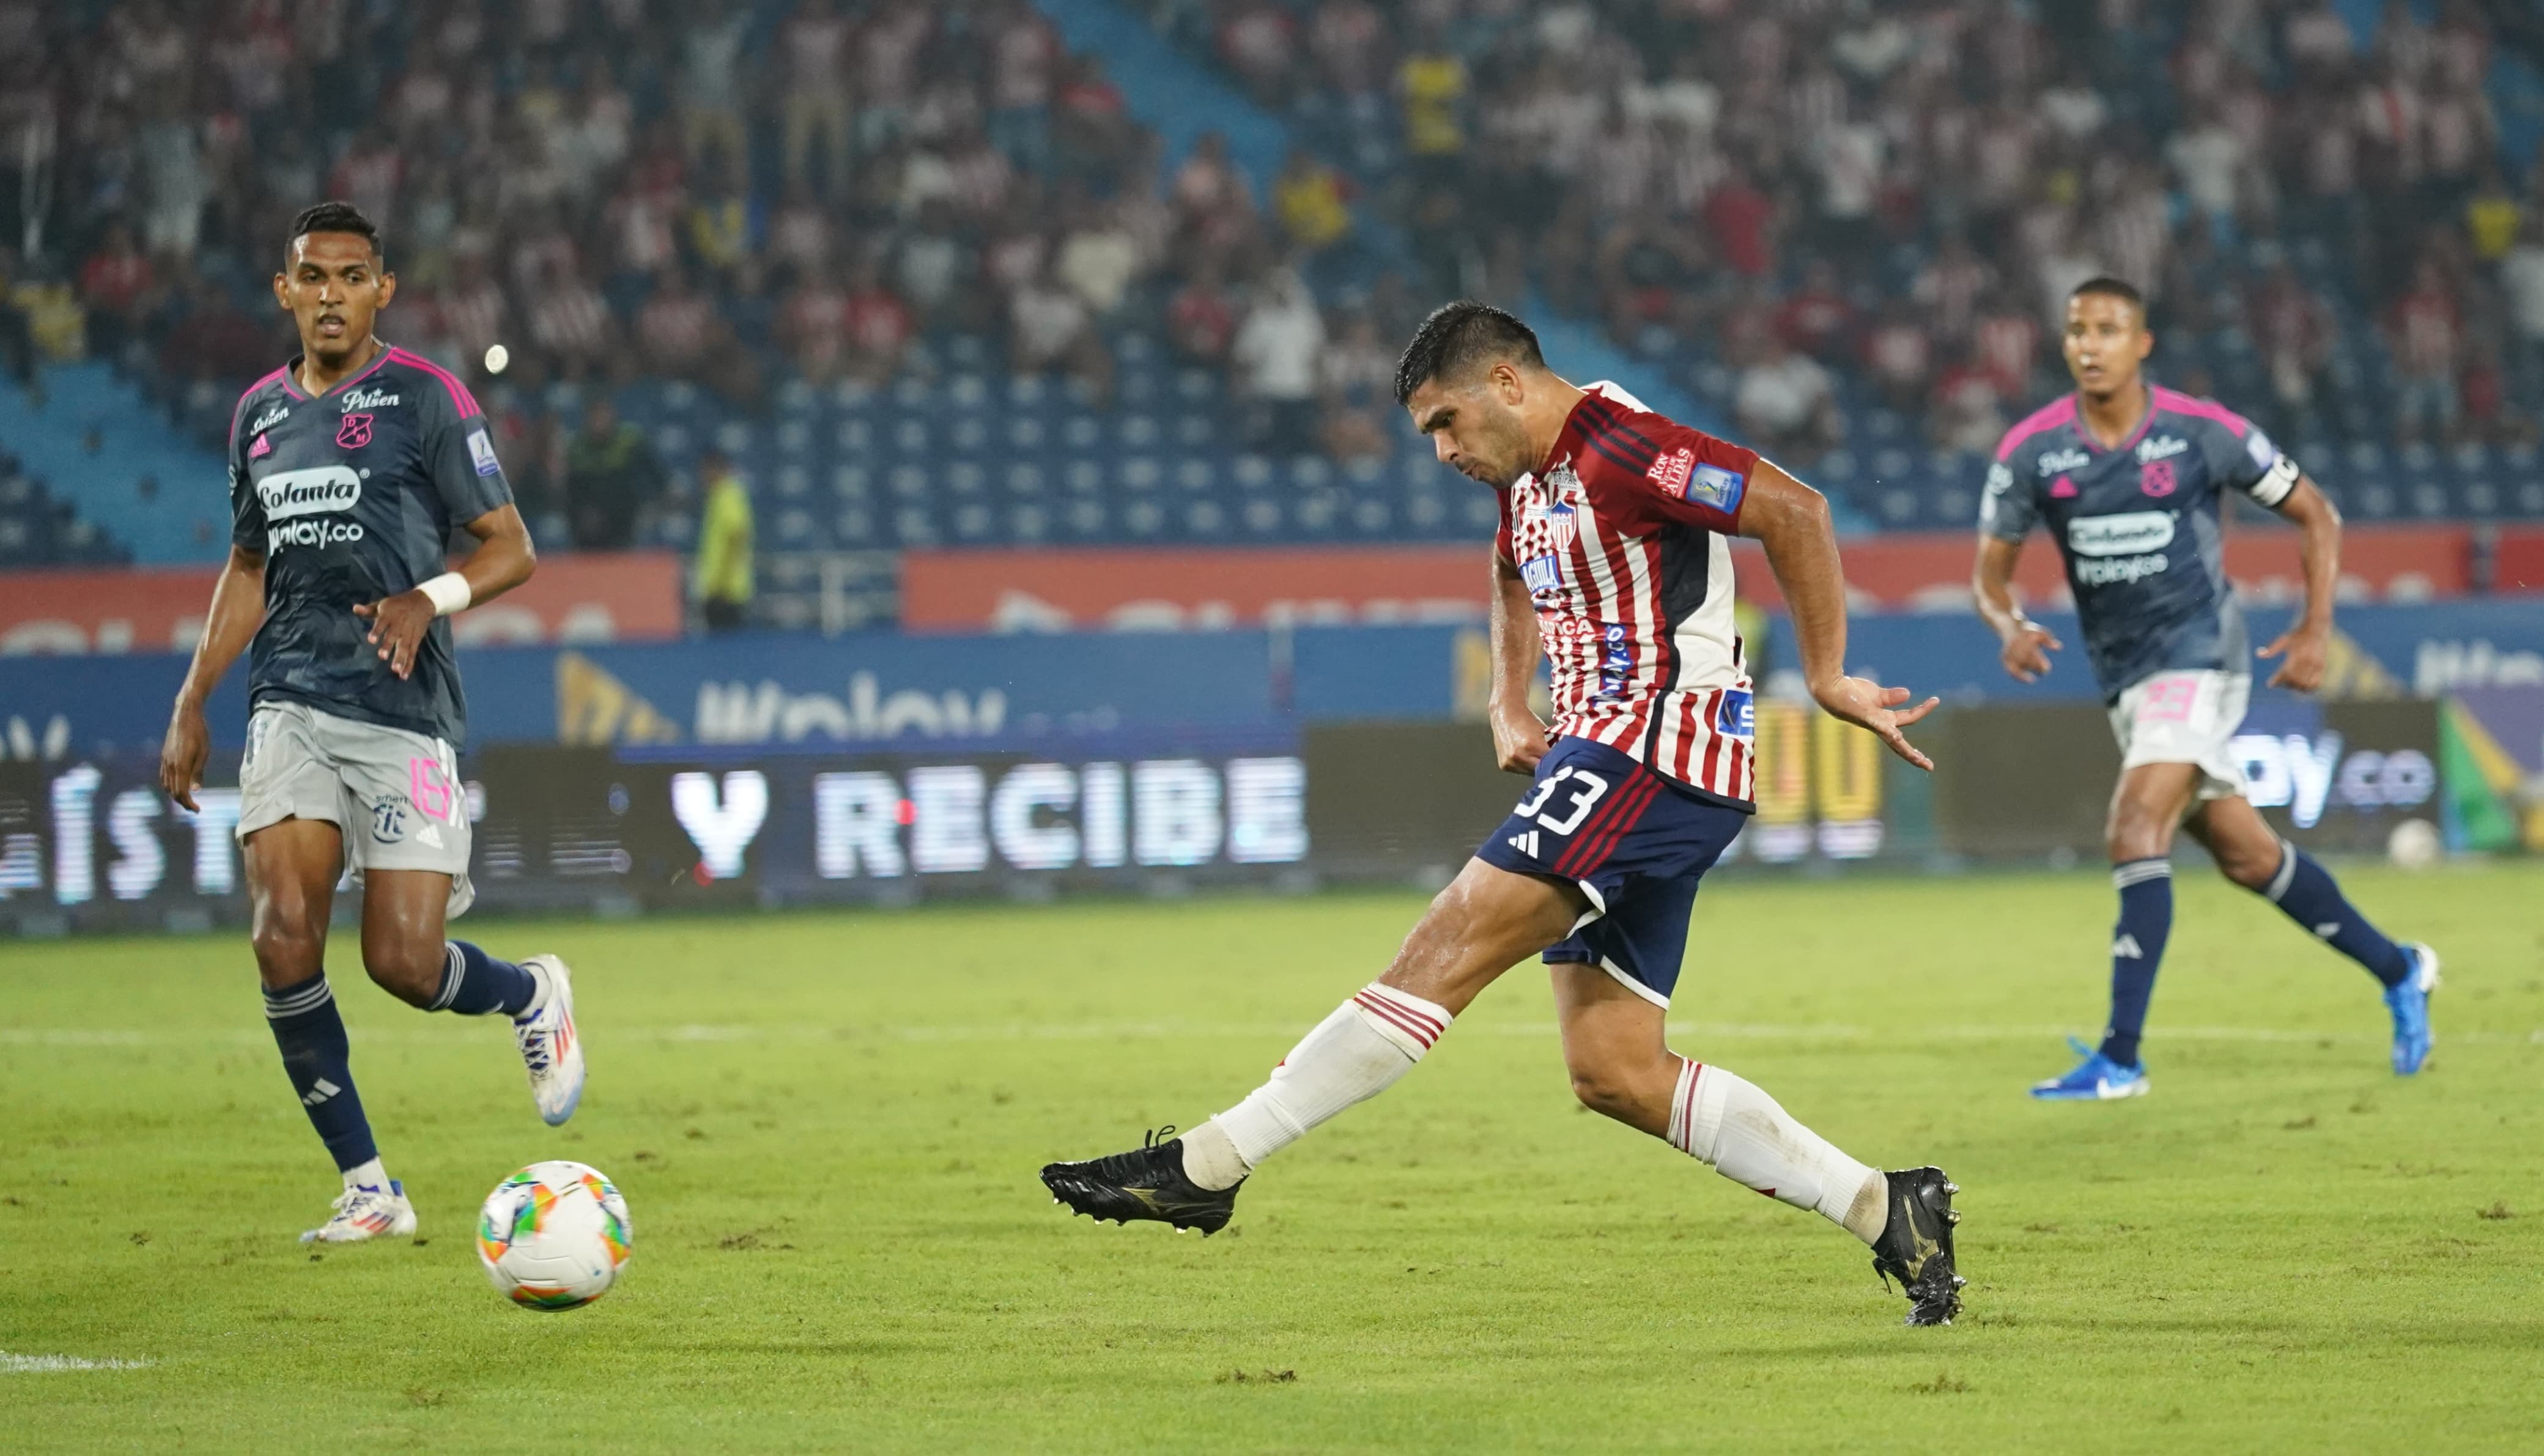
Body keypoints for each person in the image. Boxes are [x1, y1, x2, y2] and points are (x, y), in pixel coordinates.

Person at [1043, 302, 1969, 1327]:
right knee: (1614, 1070)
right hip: (1610, 755)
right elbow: (1510, 568)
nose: (1442, 450)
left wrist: (1830, 674)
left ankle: (1208, 1164)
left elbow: (1794, 509)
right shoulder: (1526, 471)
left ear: (1508, 384)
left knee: (1448, 938)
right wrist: (1505, 696)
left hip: (1656, 745)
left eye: (1447, 422)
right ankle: (1890, 1209)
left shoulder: (1627, 447)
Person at [157, 202, 585, 1245]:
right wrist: (192, 696)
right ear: (287, 290)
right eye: (316, 276)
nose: (334, 294)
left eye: (354, 277)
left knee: (401, 962)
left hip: (403, 710)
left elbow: (512, 546)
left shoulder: (426, 398)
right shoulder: (257, 414)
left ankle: (527, 993)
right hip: (290, 701)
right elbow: (249, 565)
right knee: (281, 936)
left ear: (381, 291)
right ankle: (368, 1188)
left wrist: (423, 598)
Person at [1972, 276, 2436, 1101]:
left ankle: (2121, 1058)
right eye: (2078, 328)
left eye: (2109, 328)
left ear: (2142, 343)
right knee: (2248, 856)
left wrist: (2316, 626)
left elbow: (2317, 514)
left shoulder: (2201, 432)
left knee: (2135, 821)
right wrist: (2007, 626)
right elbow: (1989, 577)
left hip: (2200, 655)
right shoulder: (2033, 452)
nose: (2089, 343)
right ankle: (2402, 968)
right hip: (2126, 679)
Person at [695, 448, 753, 634]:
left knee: (727, 650)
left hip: (725, 591)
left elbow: (738, 535)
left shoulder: (727, 496)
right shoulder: (718, 497)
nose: (702, 476)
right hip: (718, 588)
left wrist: (723, 584)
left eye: (706, 470)